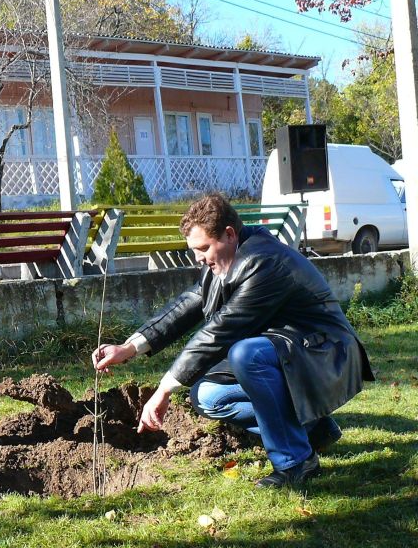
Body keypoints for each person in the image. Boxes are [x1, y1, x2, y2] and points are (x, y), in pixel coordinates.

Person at [92, 193, 373, 489]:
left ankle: (295, 462)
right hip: (292, 351)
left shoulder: (264, 262)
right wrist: (129, 347)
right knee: (208, 395)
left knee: (244, 355)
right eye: (194, 250)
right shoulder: (229, 257)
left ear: (228, 234)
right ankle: (312, 427)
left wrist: (163, 390)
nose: (198, 258)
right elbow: (189, 303)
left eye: (203, 248)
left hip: (325, 352)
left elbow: (219, 333)